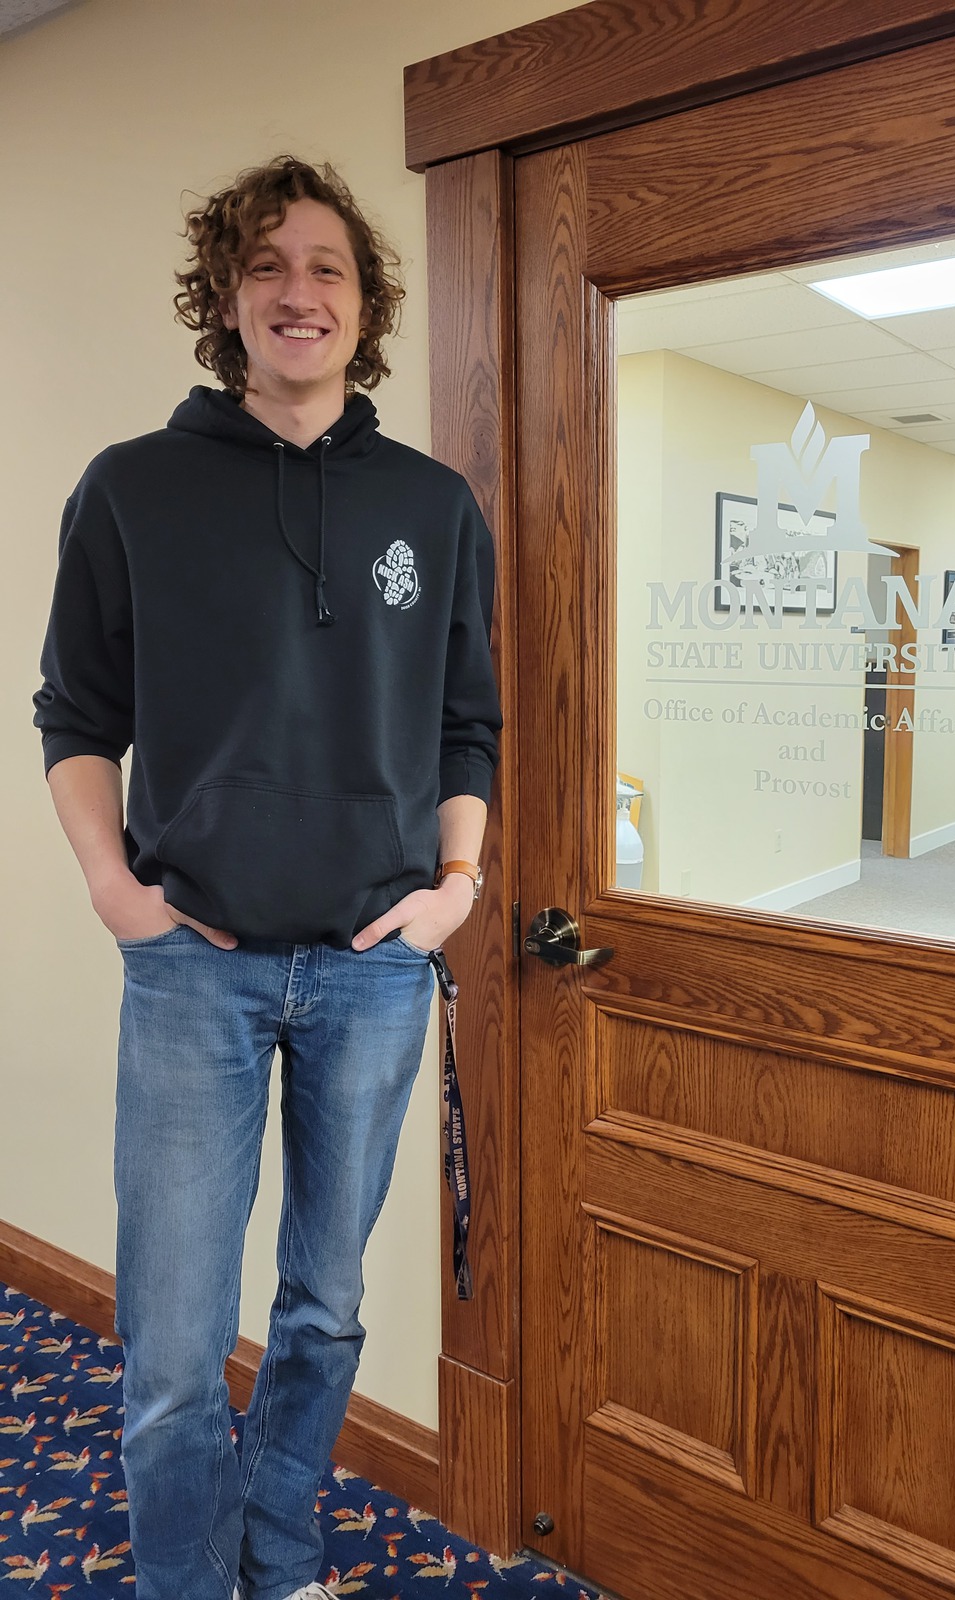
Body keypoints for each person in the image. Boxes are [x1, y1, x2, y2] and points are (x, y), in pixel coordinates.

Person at [32, 156, 502, 1600]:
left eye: (329, 269)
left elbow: (464, 724)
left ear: (366, 307)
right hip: (195, 966)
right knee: (174, 1338)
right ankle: (187, 1578)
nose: (298, 293)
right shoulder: (131, 489)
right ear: (225, 299)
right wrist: (118, 891)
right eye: (267, 266)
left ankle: (282, 1553)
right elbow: (73, 714)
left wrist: (458, 887)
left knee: (325, 1308)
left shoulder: (431, 506)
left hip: (371, 968)